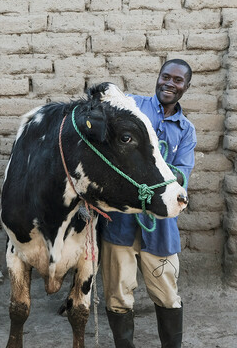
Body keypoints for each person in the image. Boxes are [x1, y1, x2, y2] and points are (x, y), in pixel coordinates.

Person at [100, 59, 197, 348]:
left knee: (167, 293)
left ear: (186, 87)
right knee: (118, 294)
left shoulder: (186, 129)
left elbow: (182, 173)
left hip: (162, 226)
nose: (169, 83)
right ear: (158, 78)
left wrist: (155, 170)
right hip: (120, 222)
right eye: (165, 77)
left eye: (177, 80)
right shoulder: (132, 108)